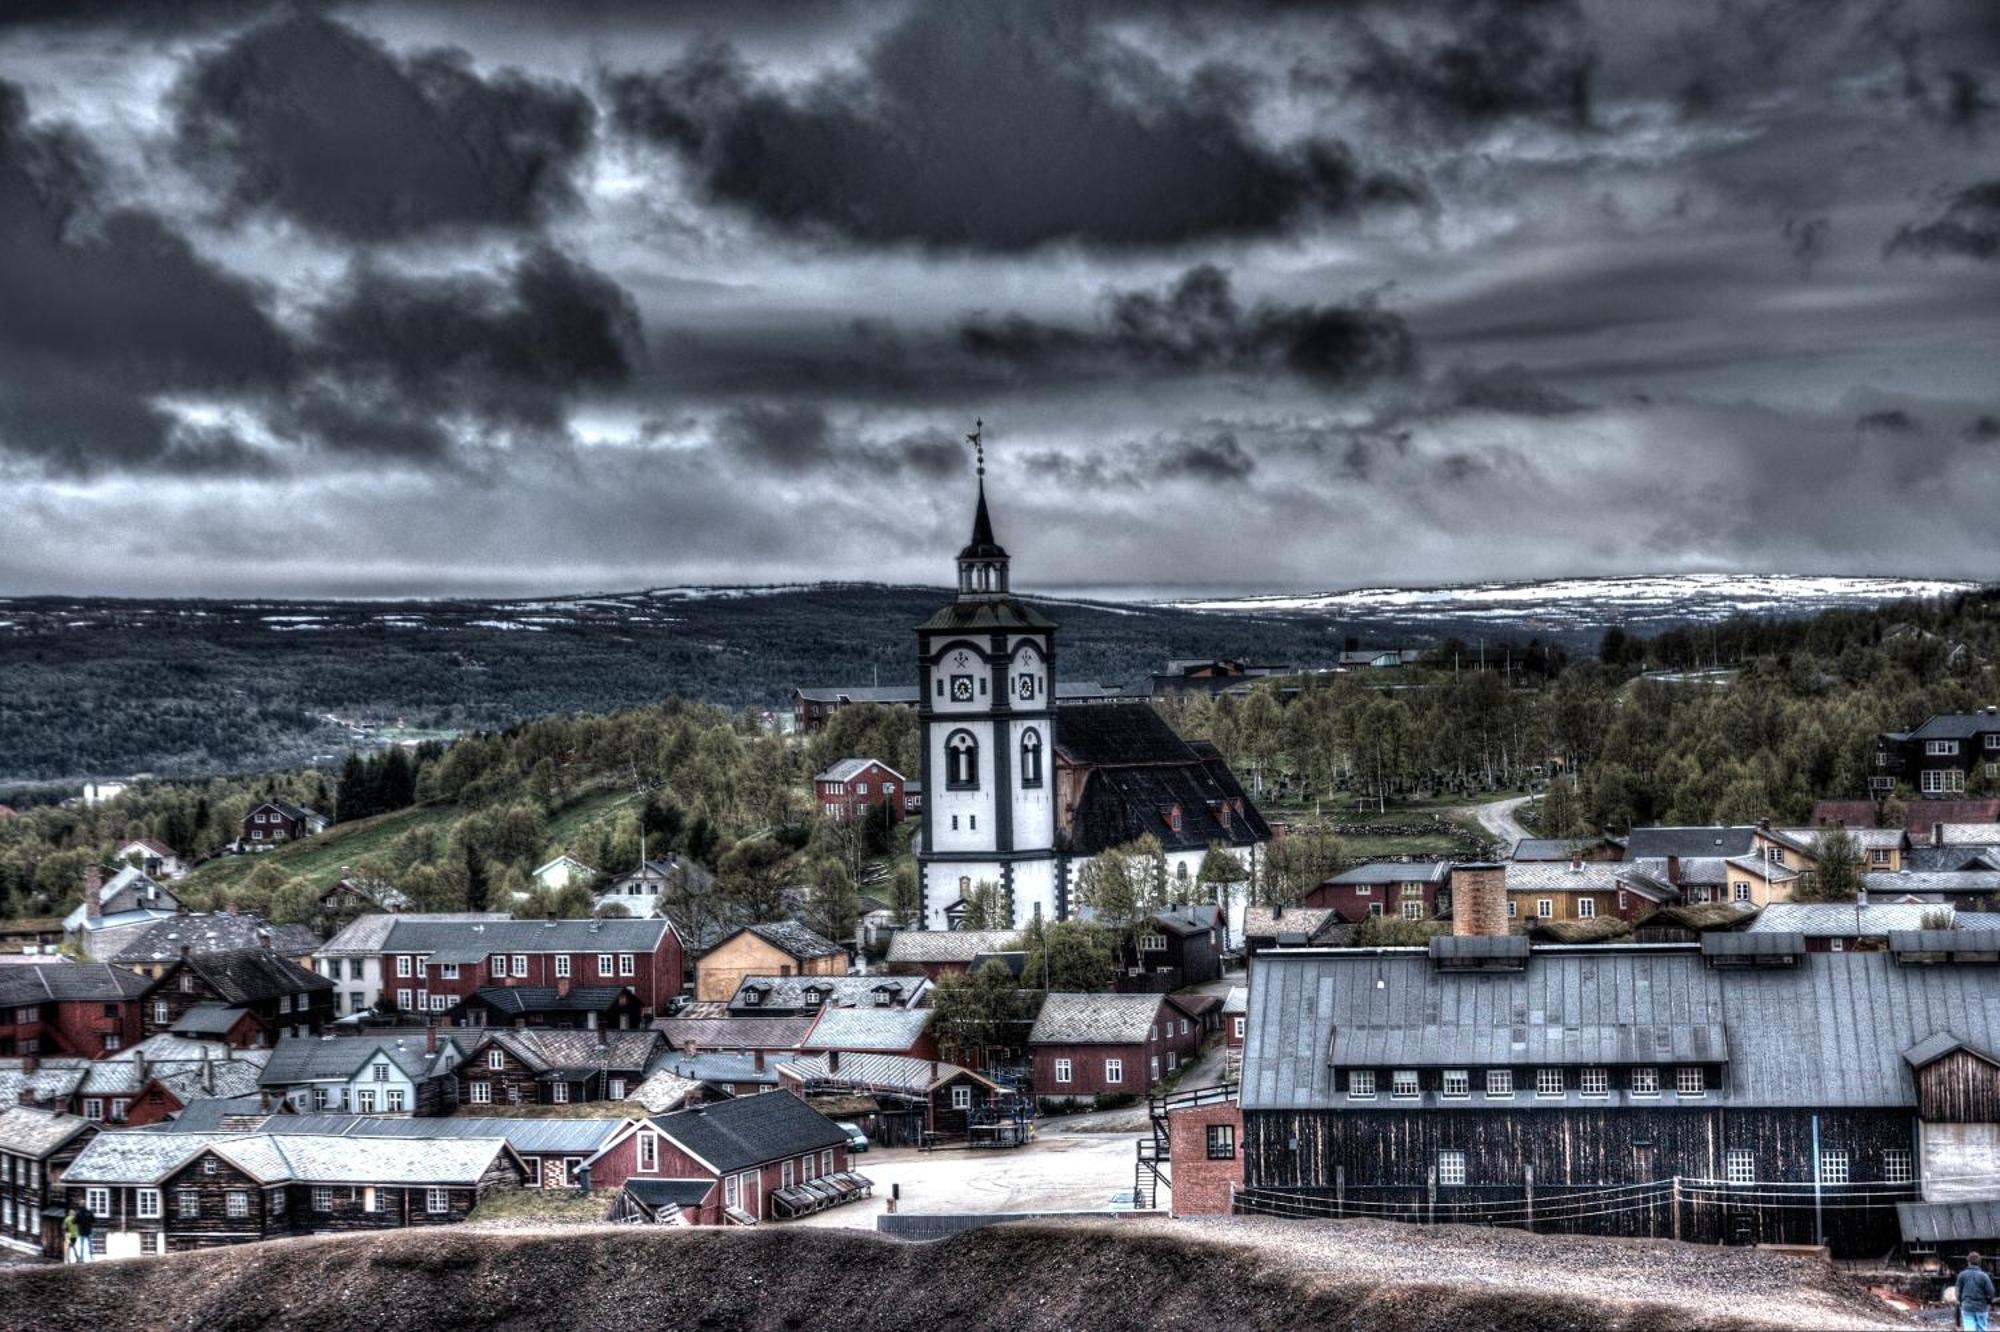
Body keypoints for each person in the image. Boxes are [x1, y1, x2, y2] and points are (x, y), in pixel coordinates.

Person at [1958, 1252, 1996, 1332]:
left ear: (1968, 1262)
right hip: (1981, 1307)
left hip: (1967, 1307)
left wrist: (1961, 1302)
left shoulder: (1962, 1275)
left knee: (1969, 1329)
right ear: (1979, 1263)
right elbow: (1991, 1292)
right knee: (1982, 1328)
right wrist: (1988, 1302)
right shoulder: (1984, 1276)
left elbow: (1958, 1292)